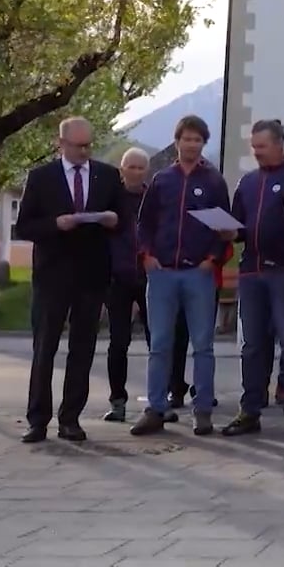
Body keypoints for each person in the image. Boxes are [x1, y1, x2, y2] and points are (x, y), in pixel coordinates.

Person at [15, 116, 122, 444]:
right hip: (52, 275)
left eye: (89, 144)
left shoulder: (107, 175)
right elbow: (24, 227)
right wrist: (54, 225)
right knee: (45, 347)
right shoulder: (41, 178)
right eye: (78, 146)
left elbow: (122, 218)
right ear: (60, 144)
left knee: (83, 348)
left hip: (91, 274)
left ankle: (71, 418)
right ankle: (37, 420)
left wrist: (112, 219)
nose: (85, 151)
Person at [131, 115, 237, 437]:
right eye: (186, 139)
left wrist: (212, 259)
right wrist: (146, 255)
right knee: (160, 344)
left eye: (197, 140)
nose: (191, 145)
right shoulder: (162, 180)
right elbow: (144, 223)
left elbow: (225, 228)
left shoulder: (214, 181)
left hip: (198, 274)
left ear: (203, 144)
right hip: (162, 273)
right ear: (177, 142)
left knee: (202, 345)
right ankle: (155, 408)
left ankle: (202, 409)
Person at [221, 120, 284, 437]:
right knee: (252, 344)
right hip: (252, 271)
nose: (256, 152)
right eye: (253, 147)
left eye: (261, 147)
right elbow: (239, 225)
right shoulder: (248, 183)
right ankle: (250, 408)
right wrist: (229, 231)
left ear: (279, 144)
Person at [103, 149, 152, 422]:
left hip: (148, 277)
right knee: (118, 342)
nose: (134, 171)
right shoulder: (111, 199)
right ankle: (117, 400)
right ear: (122, 169)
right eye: (130, 167)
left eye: (140, 167)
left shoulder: (152, 197)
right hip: (118, 277)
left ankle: (159, 400)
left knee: (155, 341)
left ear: (146, 170)